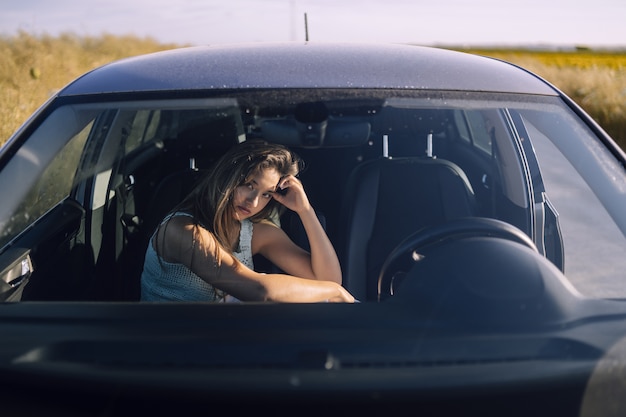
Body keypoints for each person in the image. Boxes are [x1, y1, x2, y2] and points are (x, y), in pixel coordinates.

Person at [140, 140, 354, 303]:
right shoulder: (184, 231)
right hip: (165, 347)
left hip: (219, 340)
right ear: (227, 177)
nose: (253, 201)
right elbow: (259, 290)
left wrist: (305, 210)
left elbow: (327, 278)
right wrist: (335, 292)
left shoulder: (253, 232)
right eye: (249, 185)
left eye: (266, 194)